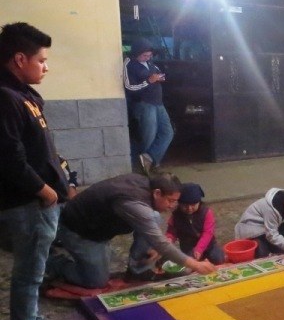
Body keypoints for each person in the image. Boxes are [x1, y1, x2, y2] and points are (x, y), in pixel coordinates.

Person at [0, 22, 76, 320]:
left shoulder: (23, 94)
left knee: (35, 270)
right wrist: (45, 191)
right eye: (41, 60)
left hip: (39, 201)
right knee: (29, 274)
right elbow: (9, 159)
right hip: (27, 203)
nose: (46, 67)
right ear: (19, 59)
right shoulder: (5, 97)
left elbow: (38, 146)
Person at [46, 173, 217, 288]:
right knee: (96, 280)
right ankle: (53, 261)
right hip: (79, 231)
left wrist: (158, 244)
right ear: (157, 193)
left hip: (100, 225)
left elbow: (156, 236)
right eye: (170, 201)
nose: (173, 206)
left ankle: (138, 270)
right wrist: (195, 264)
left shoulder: (146, 185)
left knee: (154, 218)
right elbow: (160, 242)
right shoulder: (134, 205)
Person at [123, 38, 173, 174]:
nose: (147, 57)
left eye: (149, 55)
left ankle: (150, 159)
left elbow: (157, 73)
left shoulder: (150, 63)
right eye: (144, 55)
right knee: (148, 136)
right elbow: (129, 87)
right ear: (136, 53)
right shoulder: (129, 64)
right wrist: (149, 81)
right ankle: (144, 167)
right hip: (144, 104)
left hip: (158, 103)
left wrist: (160, 77)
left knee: (167, 132)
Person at [234, 187, 284, 257]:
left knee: (282, 250)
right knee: (263, 254)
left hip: (266, 230)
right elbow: (271, 235)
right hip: (251, 230)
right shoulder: (271, 208)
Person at [165, 183, 225, 265]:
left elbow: (207, 233)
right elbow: (171, 231)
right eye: (185, 205)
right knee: (187, 266)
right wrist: (169, 239)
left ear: (199, 203)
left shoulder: (206, 213)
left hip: (208, 245)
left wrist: (199, 249)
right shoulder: (176, 216)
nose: (189, 208)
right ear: (179, 204)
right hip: (188, 247)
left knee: (218, 259)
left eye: (193, 205)